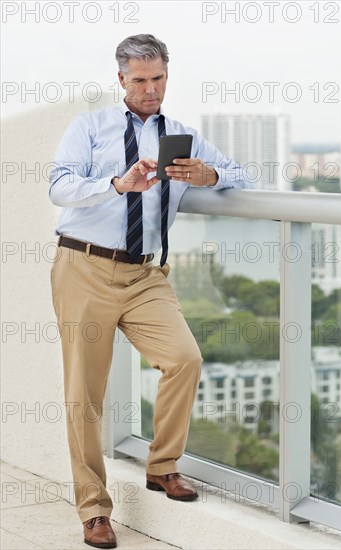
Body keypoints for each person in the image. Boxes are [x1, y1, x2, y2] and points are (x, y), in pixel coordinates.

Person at [49, 34, 252, 549]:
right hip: (85, 269)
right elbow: (58, 185)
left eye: (158, 78)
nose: (150, 89)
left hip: (146, 277)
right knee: (85, 396)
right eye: (139, 80)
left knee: (184, 358)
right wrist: (117, 185)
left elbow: (243, 176)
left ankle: (162, 466)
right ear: (121, 80)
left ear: (167, 75)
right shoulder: (90, 127)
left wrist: (209, 175)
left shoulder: (182, 134)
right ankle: (94, 510)